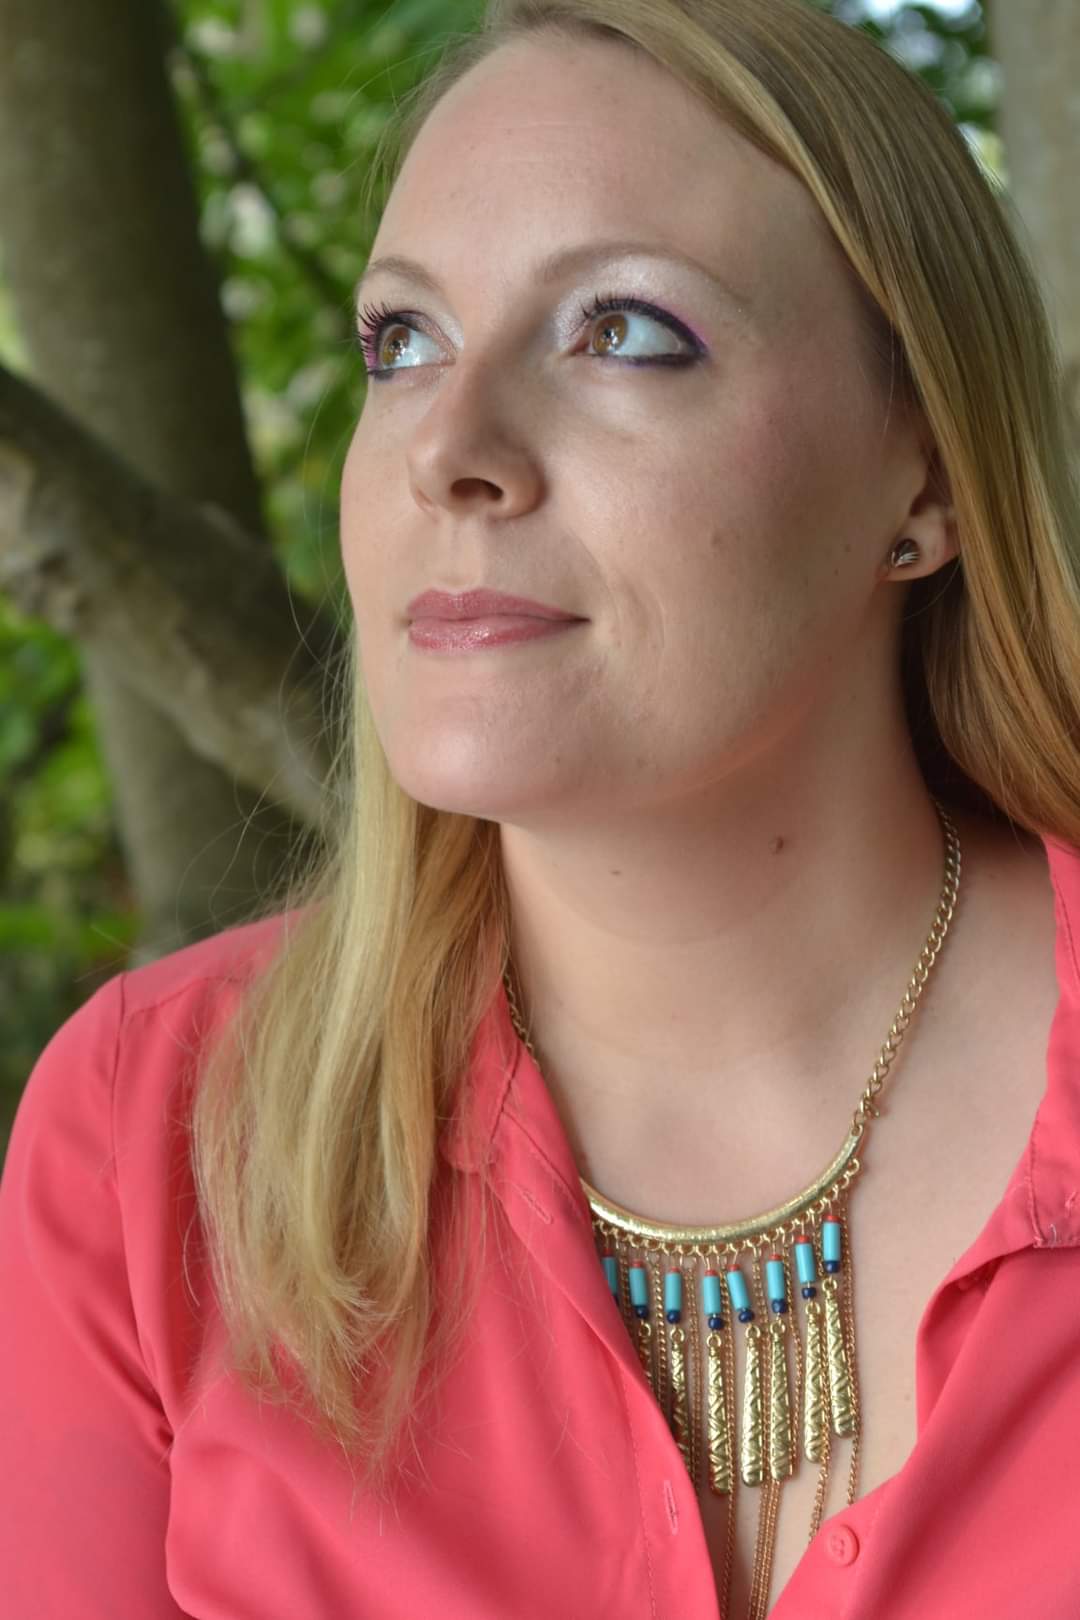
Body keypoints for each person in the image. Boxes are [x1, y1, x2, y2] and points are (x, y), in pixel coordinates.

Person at [2, 0, 1079, 1615]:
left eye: (623, 331)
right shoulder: (148, 1141)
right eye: (402, 340)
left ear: (922, 477)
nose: (449, 448)